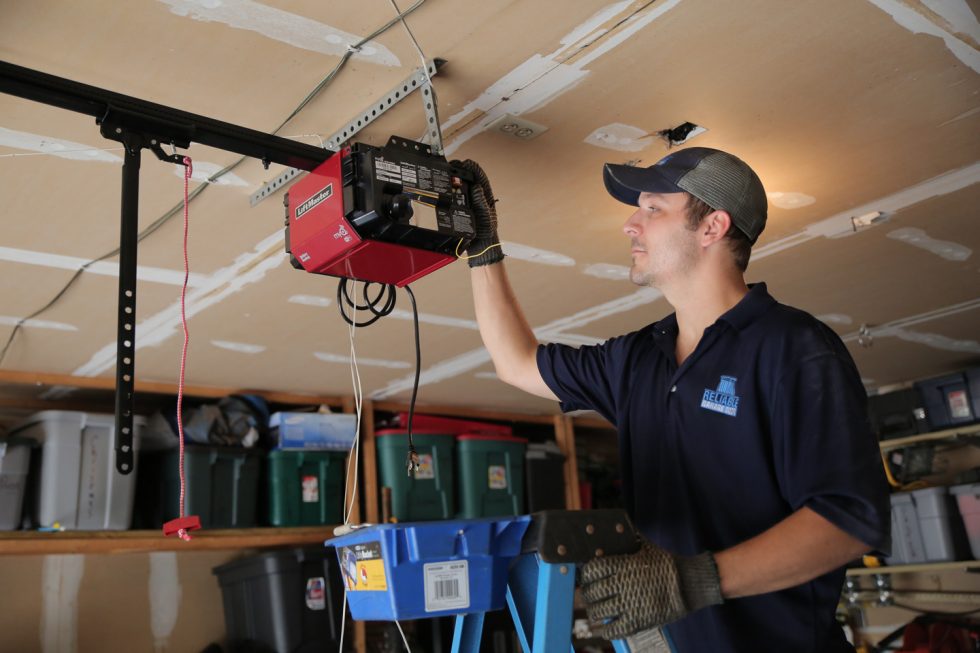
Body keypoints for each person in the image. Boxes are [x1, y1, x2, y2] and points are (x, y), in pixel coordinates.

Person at [454, 148, 891, 652]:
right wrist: (483, 249)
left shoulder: (793, 348)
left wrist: (694, 581)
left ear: (712, 227)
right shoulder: (639, 358)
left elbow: (849, 520)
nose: (630, 225)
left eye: (653, 209)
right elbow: (517, 363)